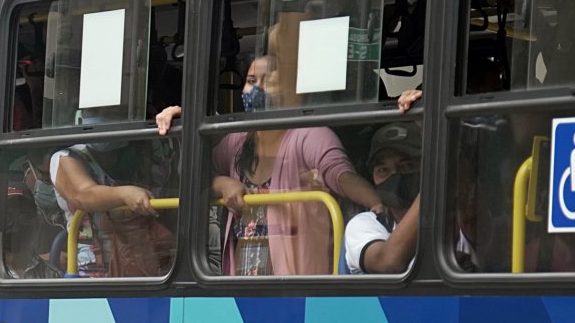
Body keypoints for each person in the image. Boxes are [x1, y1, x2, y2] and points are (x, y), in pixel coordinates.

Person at [156, 53, 382, 275]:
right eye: (251, 81)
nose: (257, 89)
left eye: (270, 82)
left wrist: (376, 204)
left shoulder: (310, 135)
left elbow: (340, 174)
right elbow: (197, 174)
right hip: (239, 286)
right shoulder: (237, 141)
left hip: (295, 282)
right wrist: (221, 181)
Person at [50, 135, 176, 277]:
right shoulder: (66, 157)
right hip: (93, 273)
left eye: (110, 111)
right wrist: (124, 194)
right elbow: (83, 195)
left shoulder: (146, 152)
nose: (101, 115)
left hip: (149, 261)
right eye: (92, 112)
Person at [344, 122, 422, 274]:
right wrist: (431, 190)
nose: (394, 176)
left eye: (405, 166)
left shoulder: (452, 219)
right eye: (383, 170)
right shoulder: (364, 224)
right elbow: (387, 263)